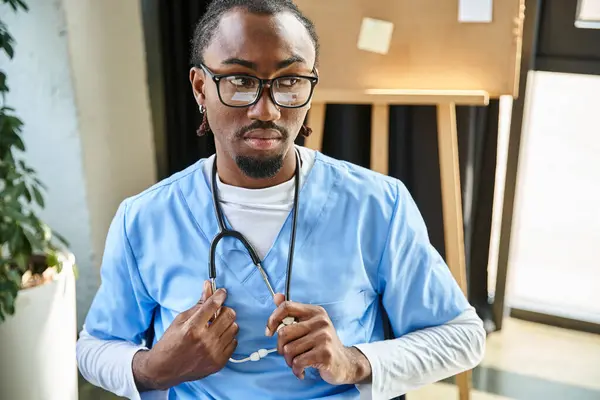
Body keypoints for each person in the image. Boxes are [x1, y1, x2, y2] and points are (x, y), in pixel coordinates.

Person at [76, 1, 486, 399]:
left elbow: (462, 337)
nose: (266, 110)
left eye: (289, 81)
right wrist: (154, 369)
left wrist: (354, 361)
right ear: (201, 88)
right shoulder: (145, 218)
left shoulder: (377, 206)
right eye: (240, 80)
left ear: (311, 89)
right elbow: (94, 347)